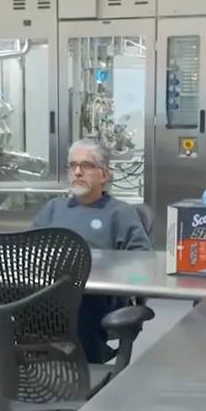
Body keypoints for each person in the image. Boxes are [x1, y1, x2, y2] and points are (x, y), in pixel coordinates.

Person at [31, 139, 149, 363]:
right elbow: (28, 249)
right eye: (72, 166)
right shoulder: (53, 209)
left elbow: (142, 258)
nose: (77, 172)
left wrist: (107, 266)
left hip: (95, 294)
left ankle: (86, 371)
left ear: (104, 175)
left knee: (81, 300)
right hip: (48, 289)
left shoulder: (120, 213)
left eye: (86, 166)